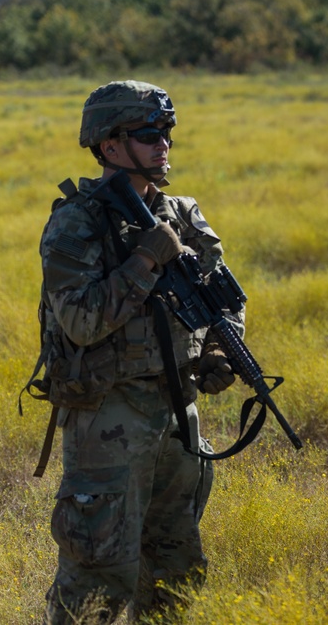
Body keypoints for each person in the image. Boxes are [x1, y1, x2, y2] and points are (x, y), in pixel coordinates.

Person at [38, 80, 240, 623]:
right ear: (107, 145)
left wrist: (219, 350)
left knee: (177, 566)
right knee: (98, 574)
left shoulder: (183, 212)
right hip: (109, 415)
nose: (163, 144)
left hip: (179, 413)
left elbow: (224, 296)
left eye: (167, 133)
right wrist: (144, 262)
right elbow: (80, 321)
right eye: (148, 134)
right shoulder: (76, 223)